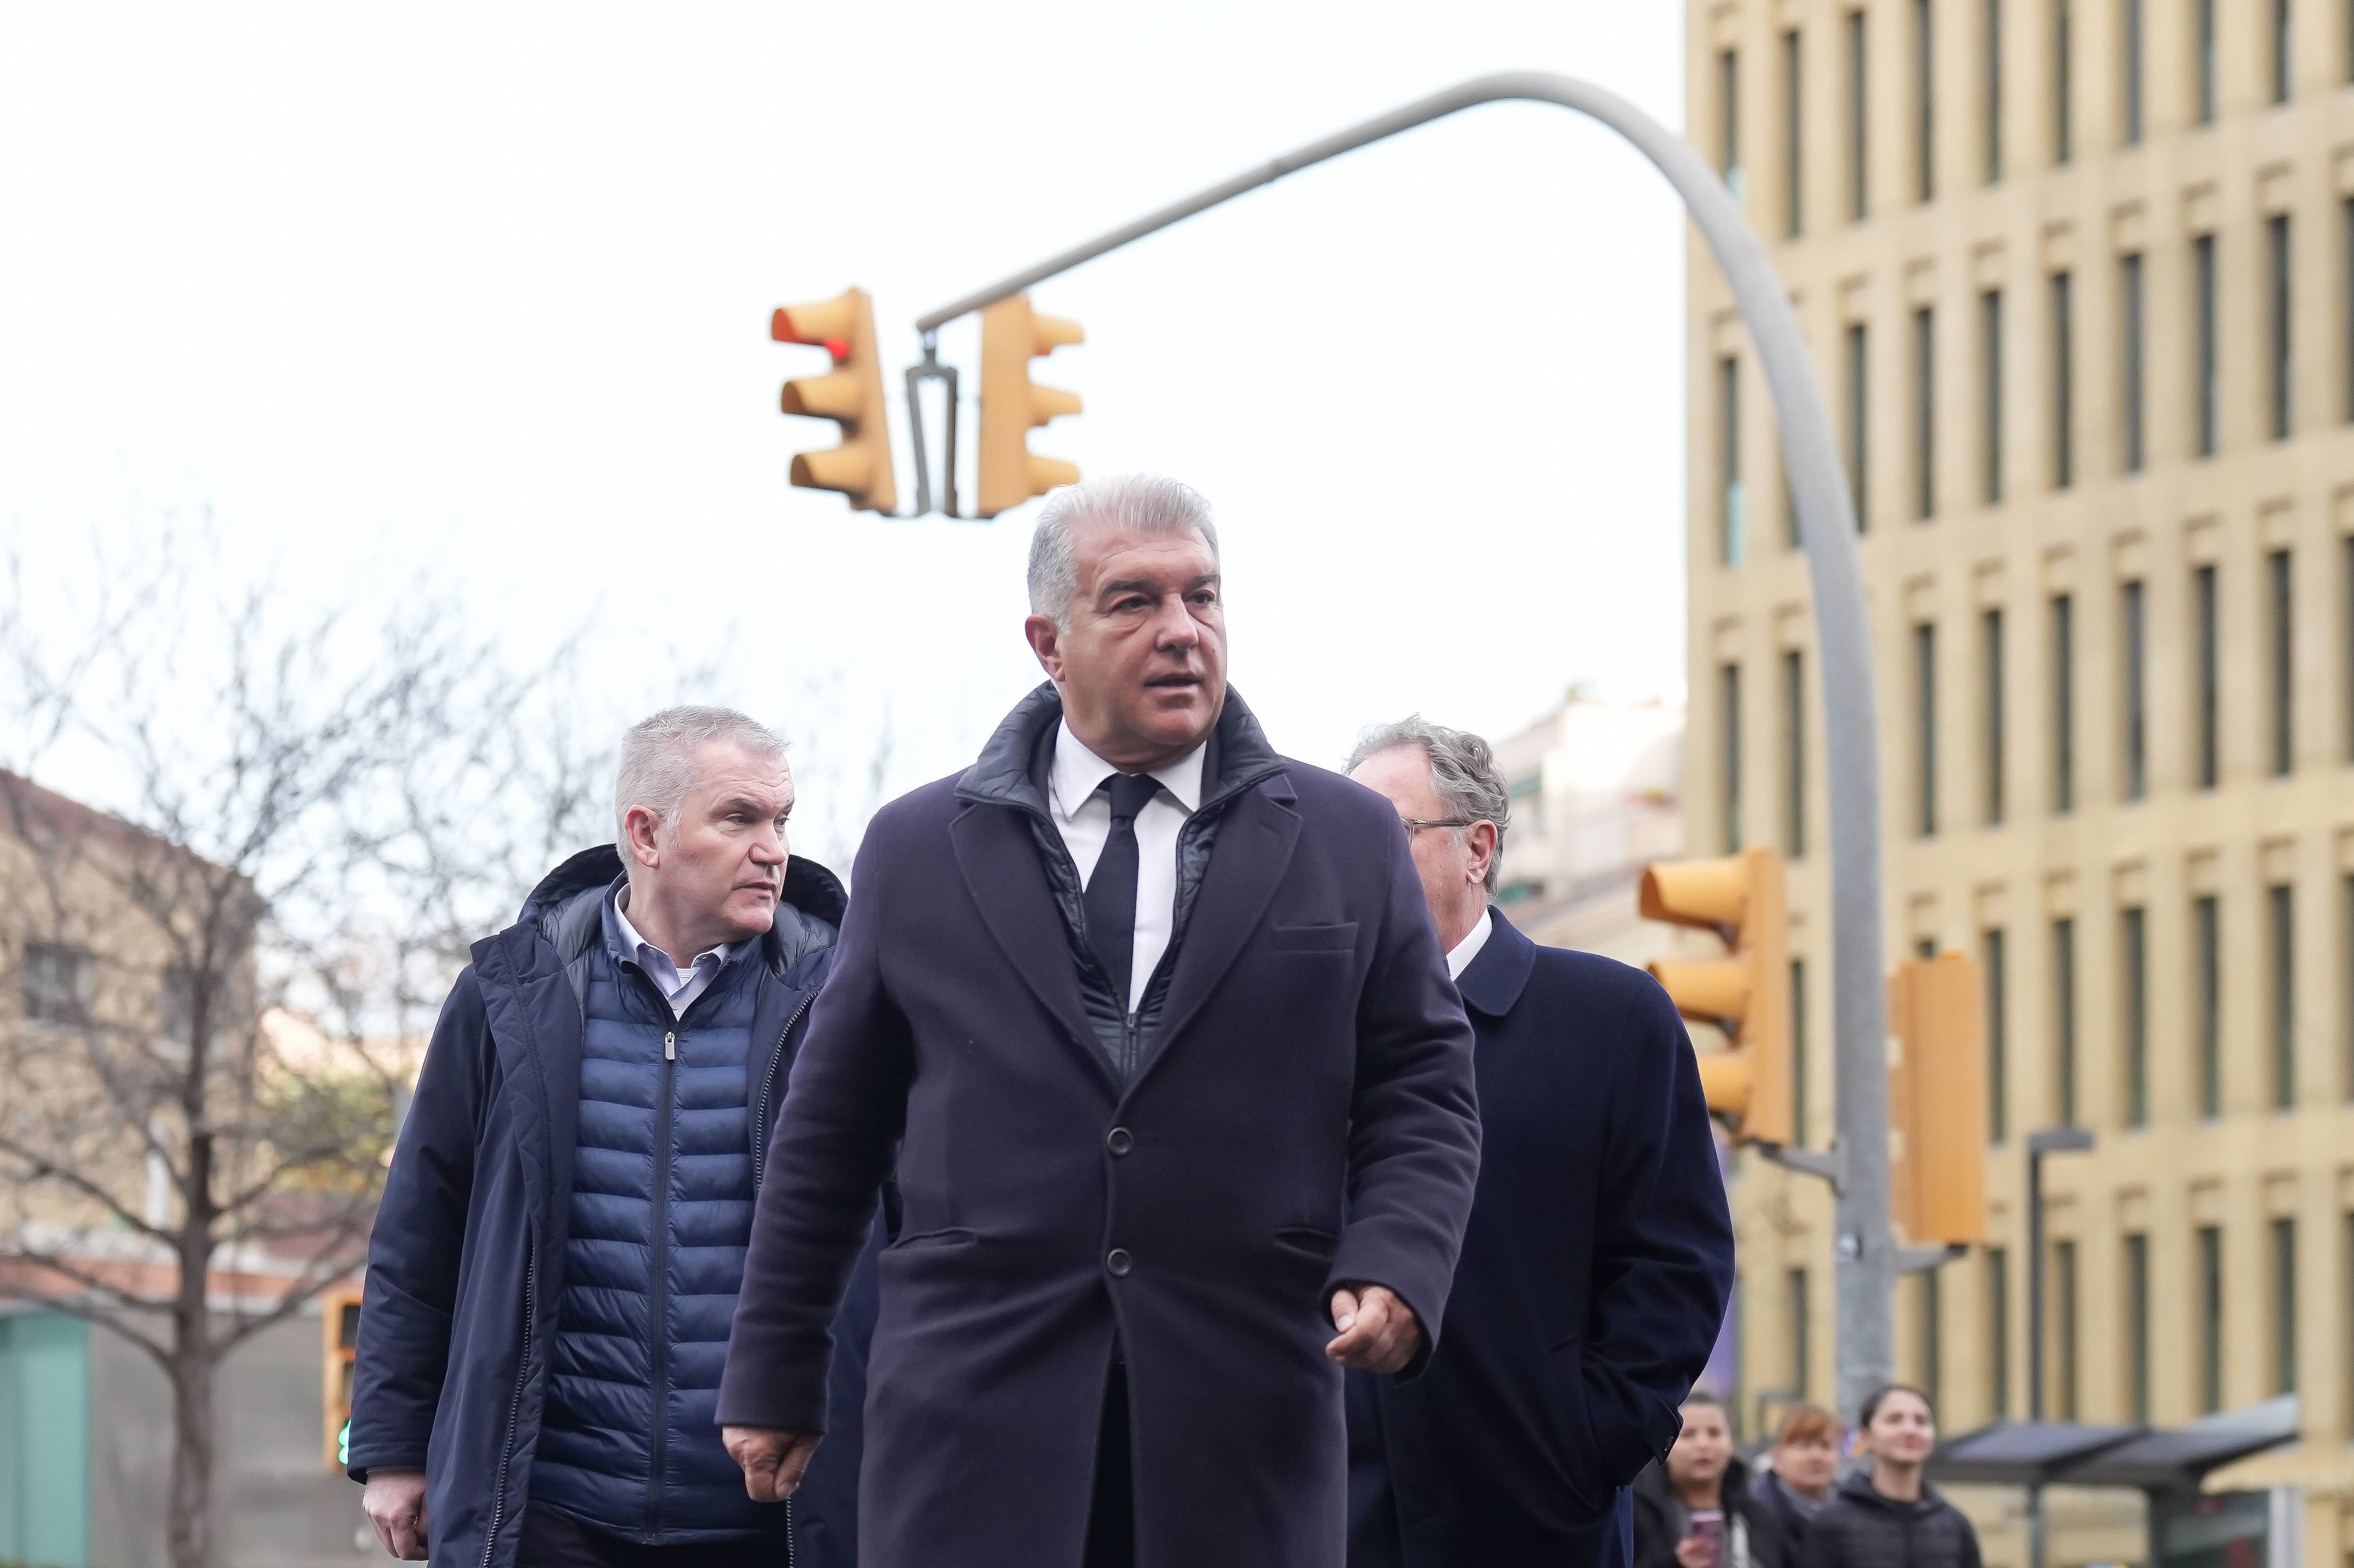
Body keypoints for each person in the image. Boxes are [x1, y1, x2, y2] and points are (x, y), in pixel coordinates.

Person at [716, 474, 1483, 1568]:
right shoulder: (919, 845)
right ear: (1048, 639)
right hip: (972, 1424)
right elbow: (829, 1129)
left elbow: (1423, 1086)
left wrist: (1399, 1261)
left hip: (1244, 1419)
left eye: (1202, 597)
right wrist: (775, 1370)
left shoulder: (1346, 837)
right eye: (1133, 602)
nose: (1181, 631)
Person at [347, 707, 882, 1568]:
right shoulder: (506, 995)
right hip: (550, 1513)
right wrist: (390, 1448)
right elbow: (419, 1233)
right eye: (739, 817)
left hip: (777, 1517)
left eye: (781, 819)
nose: (774, 848)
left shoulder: (850, 1003)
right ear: (646, 832)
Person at [1342, 717, 1735, 1568]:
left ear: (1476, 848)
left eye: (1385, 834)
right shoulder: (1308, 1035)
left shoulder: (1611, 1017)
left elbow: (1677, 1262)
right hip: (1341, 1523)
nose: (1352, 865)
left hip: (1537, 1521)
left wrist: (1587, 1446)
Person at [1805, 1386, 1981, 1568]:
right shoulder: (1833, 1523)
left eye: (1921, 1422)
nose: (1910, 1430)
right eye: (1894, 1420)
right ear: (1865, 1437)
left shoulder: (1954, 1525)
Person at [1631, 1392, 1788, 1568]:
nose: (1703, 1444)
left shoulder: (1758, 1515)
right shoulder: (1636, 1513)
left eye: (1714, 1433)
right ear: (1666, 1445)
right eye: (1689, 1435)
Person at [1750, 1404, 1842, 1553]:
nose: (1816, 1456)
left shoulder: (1854, 1515)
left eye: (1825, 1446)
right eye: (1804, 1446)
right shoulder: (1754, 1517)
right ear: (1777, 1457)